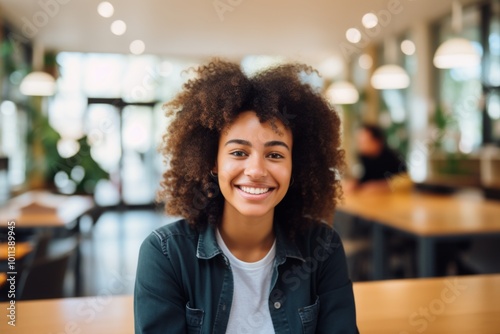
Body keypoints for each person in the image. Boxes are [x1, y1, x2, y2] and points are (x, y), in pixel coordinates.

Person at [134, 60, 358, 333]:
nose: (256, 171)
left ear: (294, 166)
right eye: (239, 152)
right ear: (212, 162)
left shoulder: (323, 247)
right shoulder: (166, 255)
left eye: (275, 155)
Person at [344, 124, 409, 194]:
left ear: (377, 141)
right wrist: (355, 184)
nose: (360, 146)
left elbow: (406, 179)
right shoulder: (364, 157)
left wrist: (382, 186)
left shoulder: (392, 157)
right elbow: (366, 178)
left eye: (364, 142)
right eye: (359, 142)